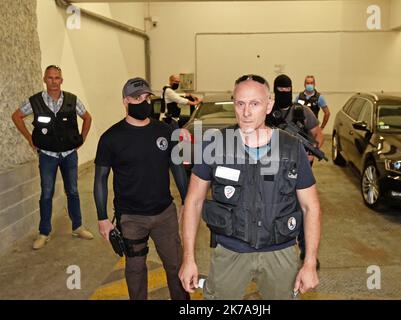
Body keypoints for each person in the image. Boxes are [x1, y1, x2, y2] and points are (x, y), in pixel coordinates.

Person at [179, 74, 321, 299]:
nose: (246, 112)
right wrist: (188, 259)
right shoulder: (215, 145)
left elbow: (310, 207)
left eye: (254, 103)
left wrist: (310, 262)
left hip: (280, 253)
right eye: (240, 103)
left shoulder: (291, 148)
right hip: (230, 252)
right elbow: (193, 202)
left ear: (269, 105)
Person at [94, 77, 190, 300]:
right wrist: (102, 218)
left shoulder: (165, 131)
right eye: (137, 98)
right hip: (131, 218)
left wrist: (186, 201)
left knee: (176, 266)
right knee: (135, 270)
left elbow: (176, 167)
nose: (144, 102)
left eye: (147, 97)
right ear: (125, 101)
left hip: (165, 214)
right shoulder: (111, 138)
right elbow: (100, 178)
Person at [11, 65, 94, 250]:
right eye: (50, 78)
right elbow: (16, 116)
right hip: (47, 156)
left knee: (72, 190)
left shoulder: (72, 100)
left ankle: (78, 226)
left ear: (61, 80)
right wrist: (30, 138)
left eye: (57, 78)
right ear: (44, 79)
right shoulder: (35, 101)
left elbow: (88, 118)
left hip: (69, 155)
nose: (54, 82)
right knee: (46, 193)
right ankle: (44, 232)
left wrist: (82, 138)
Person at [268, 74, 324, 269]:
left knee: (304, 210)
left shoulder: (302, 112)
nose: (284, 93)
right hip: (270, 168)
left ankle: (308, 252)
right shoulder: (267, 111)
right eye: (280, 90)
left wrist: (310, 153)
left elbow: (318, 134)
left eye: (287, 90)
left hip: (297, 169)